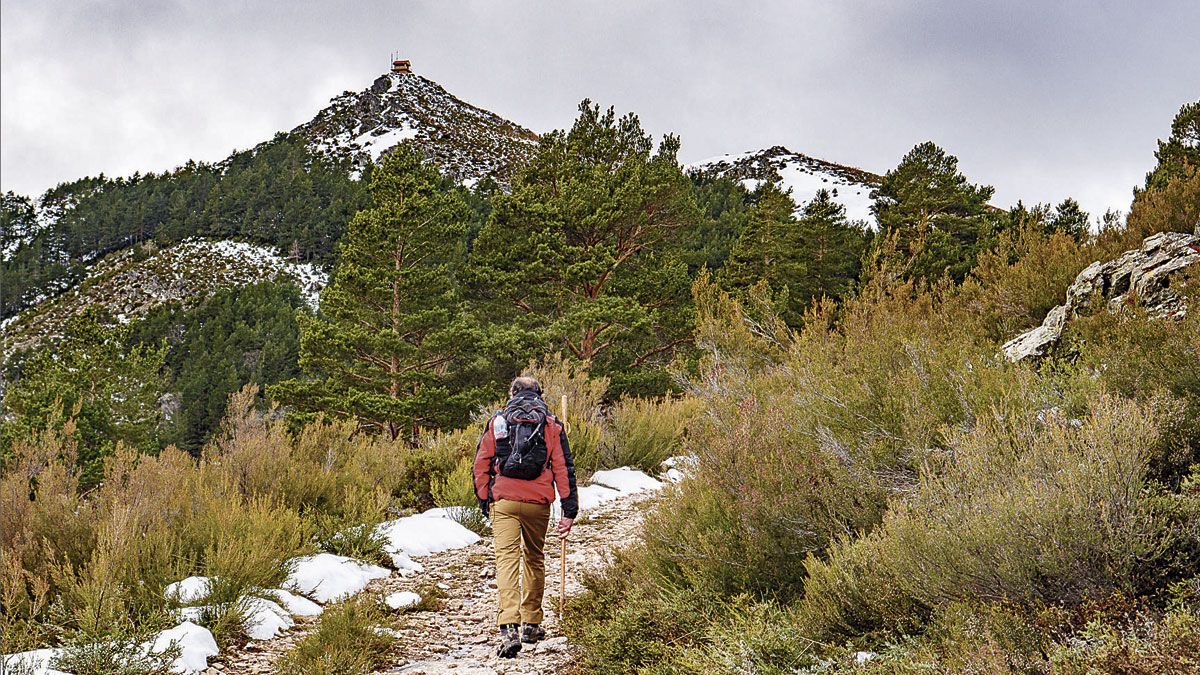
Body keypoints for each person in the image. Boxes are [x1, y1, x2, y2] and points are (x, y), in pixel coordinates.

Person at [473, 376, 578, 659]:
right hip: (538, 503)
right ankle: (532, 623)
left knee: (507, 560)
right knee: (534, 557)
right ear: (539, 394)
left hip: (504, 500)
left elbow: (481, 462)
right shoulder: (551, 424)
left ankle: (509, 626)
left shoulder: (499, 421)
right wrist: (569, 511)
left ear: (512, 393)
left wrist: (485, 498)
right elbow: (563, 468)